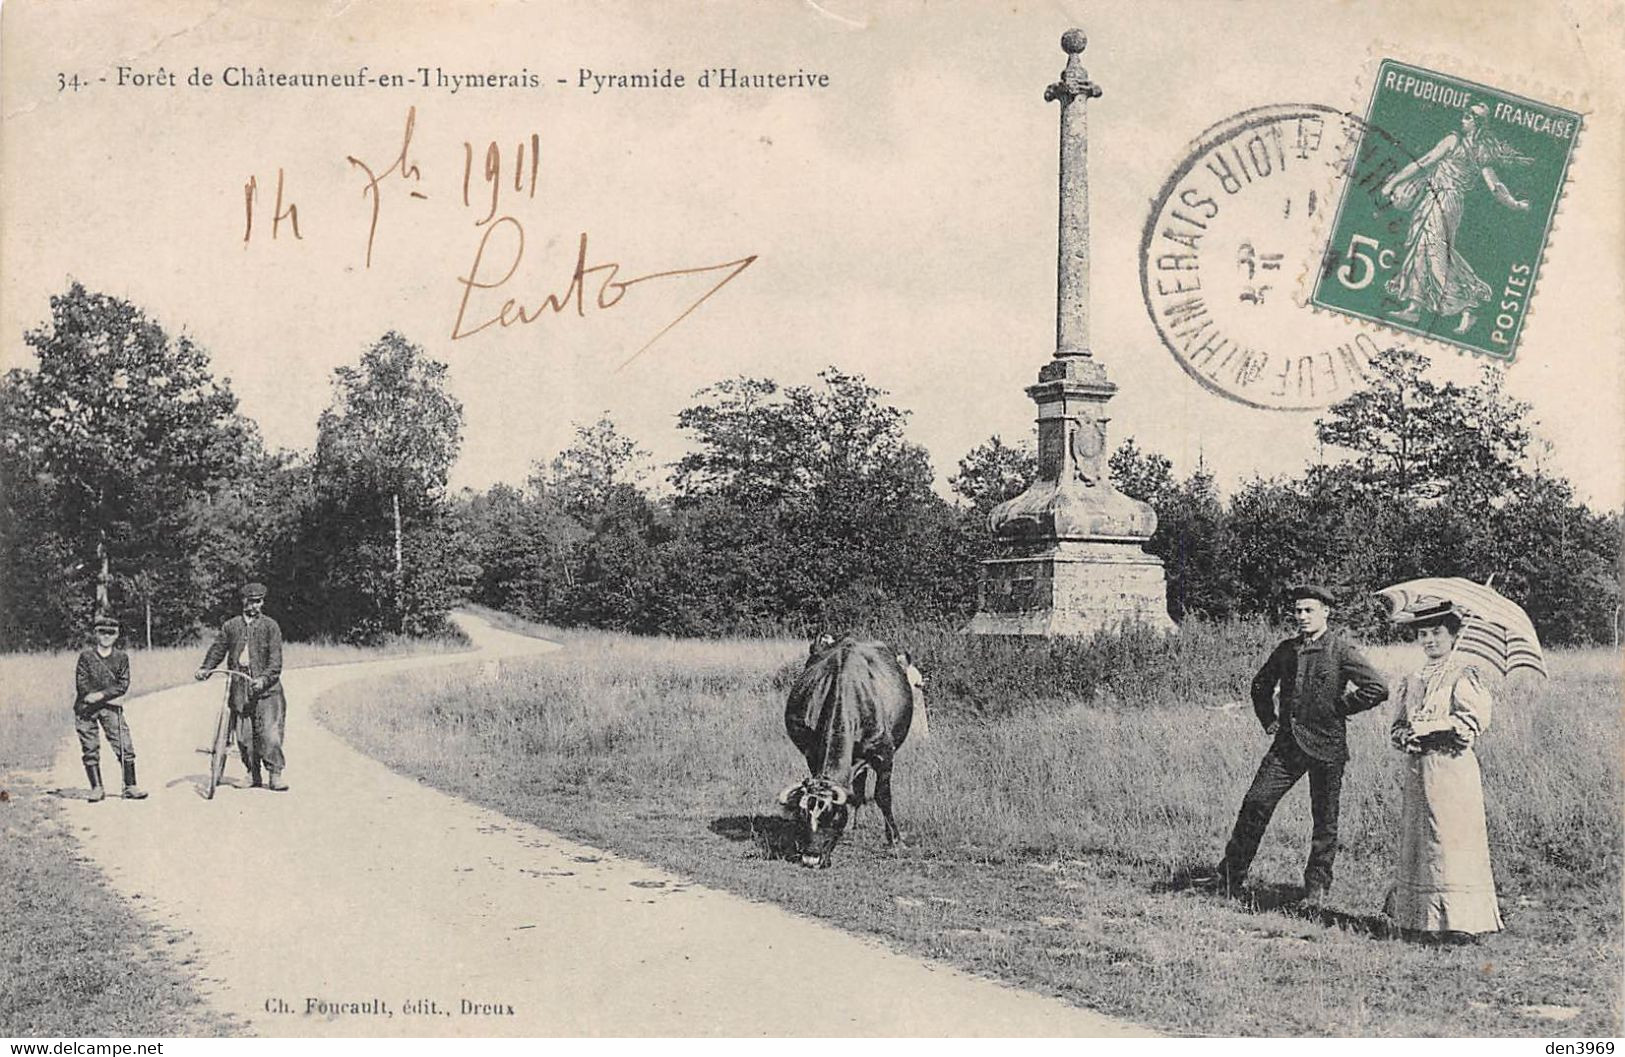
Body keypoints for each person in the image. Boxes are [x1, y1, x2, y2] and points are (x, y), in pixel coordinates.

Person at [1206, 585, 1389, 904]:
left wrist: (1340, 707)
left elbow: (1377, 688)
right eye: (1298, 611)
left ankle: (1317, 886)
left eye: (1309, 610)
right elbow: (1260, 685)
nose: (1302, 617)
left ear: (1325, 613)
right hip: (1287, 746)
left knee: (1325, 817)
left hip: (1327, 745)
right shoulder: (1286, 649)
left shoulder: (1341, 650)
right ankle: (1229, 877)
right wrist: (1269, 719)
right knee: (1256, 802)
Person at [1383, 602, 1503, 940]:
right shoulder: (1415, 678)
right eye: (1423, 634)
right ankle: (1422, 921)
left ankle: (1461, 923)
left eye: (1437, 633)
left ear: (1453, 636)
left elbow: (1470, 724)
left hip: (1452, 769)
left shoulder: (1462, 674)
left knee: (1452, 839)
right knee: (1422, 840)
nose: (1429, 640)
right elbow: (1399, 726)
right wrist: (1406, 735)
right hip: (1419, 769)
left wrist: (1433, 728)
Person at [1378, 102, 1532, 335]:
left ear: (1478, 124)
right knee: (1422, 248)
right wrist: (1516, 204)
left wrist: (1392, 183)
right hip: (1436, 199)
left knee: (1436, 252)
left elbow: (1493, 185)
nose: (1463, 119)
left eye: (1469, 117)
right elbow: (1428, 162)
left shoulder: (1463, 145)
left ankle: (1469, 305)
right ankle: (1414, 306)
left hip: (1446, 202)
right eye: (1465, 115)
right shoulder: (1470, 147)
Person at [195, 582, 289, 791]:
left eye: (259, 602)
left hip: (267, 690)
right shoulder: (231, 626)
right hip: (240, 687)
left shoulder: (270, 626)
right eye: (252, 601)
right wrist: (205, 668)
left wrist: (263, 679)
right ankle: (252, 774)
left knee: (269, 733)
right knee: (244, 736)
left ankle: (275, 775)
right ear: (243, 601)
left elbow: (276, 662)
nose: (256, 606)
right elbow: (218, 650)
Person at [74, 615, 146, 801]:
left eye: (111, 633)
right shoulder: (86, 656)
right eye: (102, 632)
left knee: (124, 744)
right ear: (95, 634)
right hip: (85, 710)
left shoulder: (121, 658)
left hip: (110, 708)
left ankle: (130, 786)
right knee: (90, 748)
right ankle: (97, 788)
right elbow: (82, 684)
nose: (106, 636)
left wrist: (100, 696)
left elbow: (123, 685)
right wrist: (97, 696)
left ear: (117, 635)